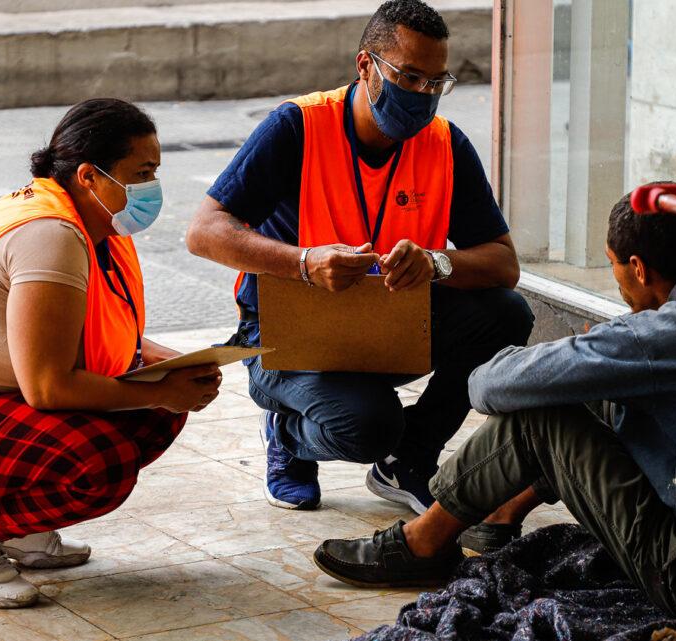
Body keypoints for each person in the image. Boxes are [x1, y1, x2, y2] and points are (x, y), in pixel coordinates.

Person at [313, 187, 676, 618]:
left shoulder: (661, 336)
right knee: (601, 395)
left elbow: (487, 386)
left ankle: (423, 542)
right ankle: (500, 515)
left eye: (613, 265)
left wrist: (588, 352)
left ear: (637, 267)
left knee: (544, 416)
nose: (616, 280)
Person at [0, 99, 223, 609]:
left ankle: (23, 532)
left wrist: (177, 367)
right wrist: (162, 387)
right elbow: (49, 386)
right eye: (141, 173)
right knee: (100, 464)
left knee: (158, 411)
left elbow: (100, 333)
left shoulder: (95, 226)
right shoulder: (50, 235)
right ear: (89, 176)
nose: (152, 186)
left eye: (155, 171)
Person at [185, 0, 534, 514]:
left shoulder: (444, 144)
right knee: (367, 428)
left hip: (391, 322)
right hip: (290, 334)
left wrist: (437, 263)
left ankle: (409, 459)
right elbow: (203, 232)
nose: (422, 95)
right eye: (409, 77)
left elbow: (504, 265)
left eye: (436, 82)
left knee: (508, 313)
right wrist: (305, 263)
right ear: (365, 65)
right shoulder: (297, 128)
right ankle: (289, 433)